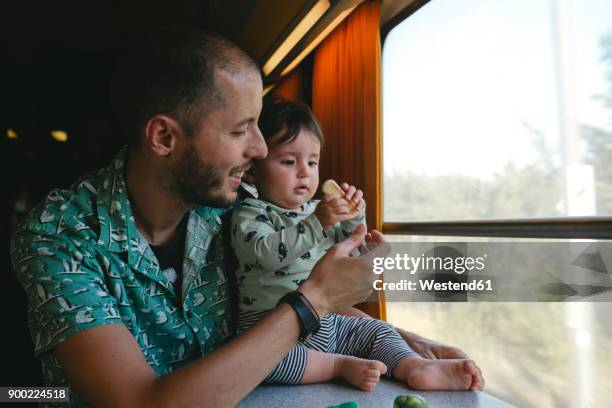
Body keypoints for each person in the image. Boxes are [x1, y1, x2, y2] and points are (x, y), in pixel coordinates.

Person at [10, 25, 480, 407]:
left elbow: (292, 289)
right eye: (241, 130)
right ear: (164, 138)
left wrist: (398, 344)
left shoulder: (231, 207)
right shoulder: (60, 235)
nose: (259, 149)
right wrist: (313, 301)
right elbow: (141, 404)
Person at [231, 99, 484, 392]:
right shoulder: (251, 213)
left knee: (376, 330)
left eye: (312, 162)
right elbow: (267, 254)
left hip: (326, 320)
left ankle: (414, 365)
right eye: (289, 162)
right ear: (252, 171)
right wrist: (317, 223)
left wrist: (354, 218)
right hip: (267, 327)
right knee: (267, 363)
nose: (305, 172)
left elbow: (343, 247)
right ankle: (337, 365)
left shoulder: (316, 210)